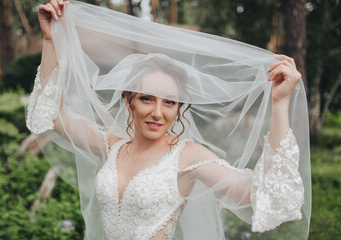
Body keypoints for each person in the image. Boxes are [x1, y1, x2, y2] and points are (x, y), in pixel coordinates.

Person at [27, 0, 310, 239]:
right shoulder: (111, 146)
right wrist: (51, 40)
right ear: (129, 102)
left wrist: (279, 103)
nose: (157, 112)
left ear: (178, 109)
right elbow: (52, 114)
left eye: (169, 102)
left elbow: (262, 192)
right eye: (147, 98)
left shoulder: (187, 157)